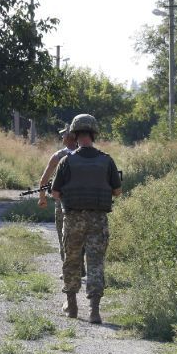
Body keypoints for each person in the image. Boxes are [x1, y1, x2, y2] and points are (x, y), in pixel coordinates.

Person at [51, 114, 122, 324]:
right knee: (96, 263)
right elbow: (117, 191)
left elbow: (55, 193)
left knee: (71, 260)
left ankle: (71, 306)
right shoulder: (107, 161)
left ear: (74, 133)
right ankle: (94, 311)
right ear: (93, 134)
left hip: (72, 219)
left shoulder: (66, 161)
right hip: (98, 221)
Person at [37, 125, 78, 268]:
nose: (61, 138)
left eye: (63, 135)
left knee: (63, 235)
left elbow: (44, 179)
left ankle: (69, 268)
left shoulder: (59, 156)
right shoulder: (90, 154)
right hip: (86, 202)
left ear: (68, 138)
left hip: (63, 202)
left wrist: (42, 197)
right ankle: (82, 267)